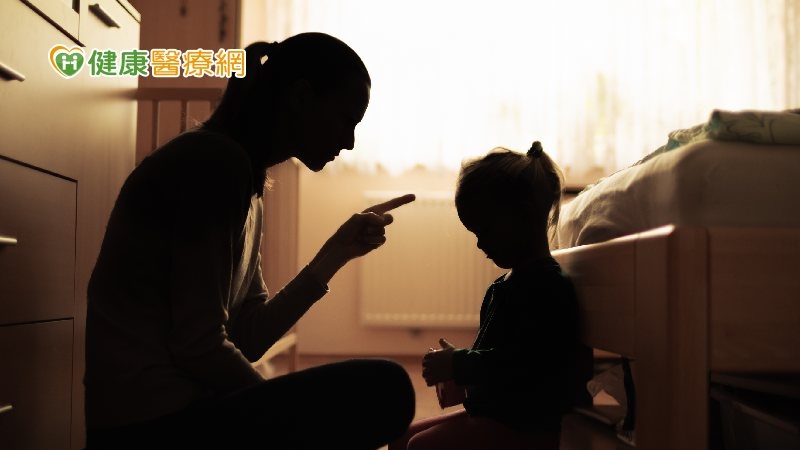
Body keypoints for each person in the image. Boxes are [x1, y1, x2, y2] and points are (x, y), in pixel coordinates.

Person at [84, 32, 416, 449]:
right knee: (385, 388)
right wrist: (284, 409)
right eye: (346, 119)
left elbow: (248, 337)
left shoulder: (244, 178)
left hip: (178, 413)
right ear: (301, 97)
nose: (349, 142)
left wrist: (335, 254)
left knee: (370, 393)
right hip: (149, 425)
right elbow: (198, 346)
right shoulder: (213, 164)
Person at [389, 141, 593, 450]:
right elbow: (499, 363)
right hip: (500, 415)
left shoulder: (547, 286)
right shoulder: (502, 287)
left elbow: (529, 364)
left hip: (530, 426)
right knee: (401, 440)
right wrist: (463, 381)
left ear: (524, 215)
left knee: (421, 446)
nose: (480, 243)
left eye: (485, 230)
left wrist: (461, 364)